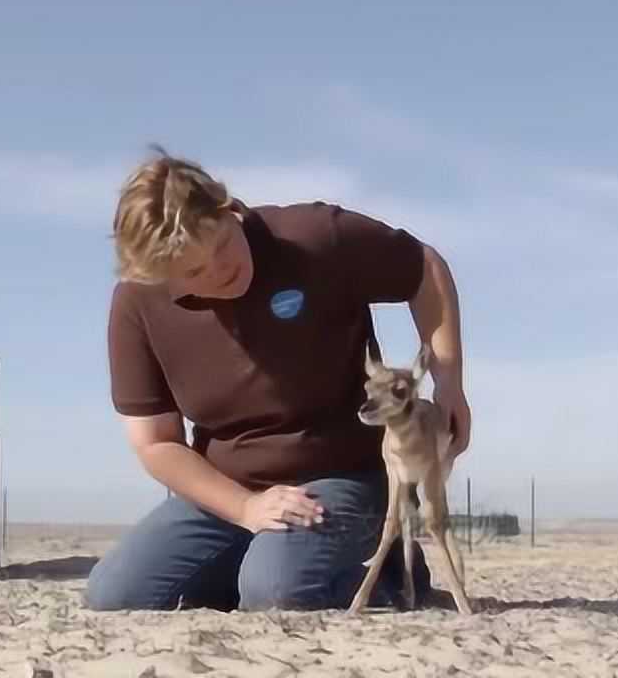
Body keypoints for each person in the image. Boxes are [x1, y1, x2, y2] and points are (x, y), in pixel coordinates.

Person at [86, 147, 471, 612]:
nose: (219, 270)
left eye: (223, 244)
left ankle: (390, 574)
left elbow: (424, 269)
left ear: (229, 209)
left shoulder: (314, 237)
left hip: (344, 474)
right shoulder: (136, 305)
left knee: (275, 591)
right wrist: (246, 508)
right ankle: (264, 562)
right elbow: (155, 443)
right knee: (115, 595)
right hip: (228, 490)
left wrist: (449, 383)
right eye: (193, 271)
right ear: (158, 278)